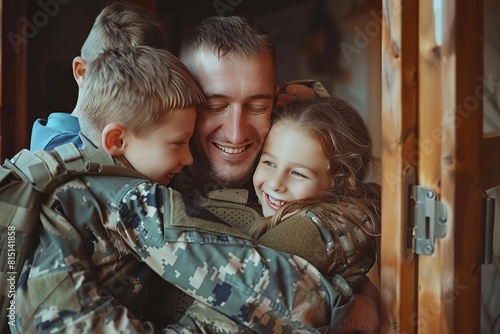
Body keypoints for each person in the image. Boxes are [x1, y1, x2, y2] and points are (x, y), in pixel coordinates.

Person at [12, 45, 354, 333]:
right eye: (178, 143)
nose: (187, 156)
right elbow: (244, 278)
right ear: (116, 140)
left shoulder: (62, 177)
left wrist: (310, 101)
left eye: (257, 104)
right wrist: (339, 304)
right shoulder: (132, 198)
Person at [171, 15, 380, 332]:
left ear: (277, 100)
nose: (236, 133)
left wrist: (368, 306)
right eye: (215, 105)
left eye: (256, 106)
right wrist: (339, 313)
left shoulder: (293, 187)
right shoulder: (150, 177)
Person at [251, 98, 381, 288]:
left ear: (340, 184)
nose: (275, 183)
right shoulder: (345, 213)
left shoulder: (305, 232)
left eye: (298, 173)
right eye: (269, 163)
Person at [29, 2, 170, 151]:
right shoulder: (61, 151)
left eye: (146, 89)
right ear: (81, 72)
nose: (129, 98)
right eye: (115, 82)